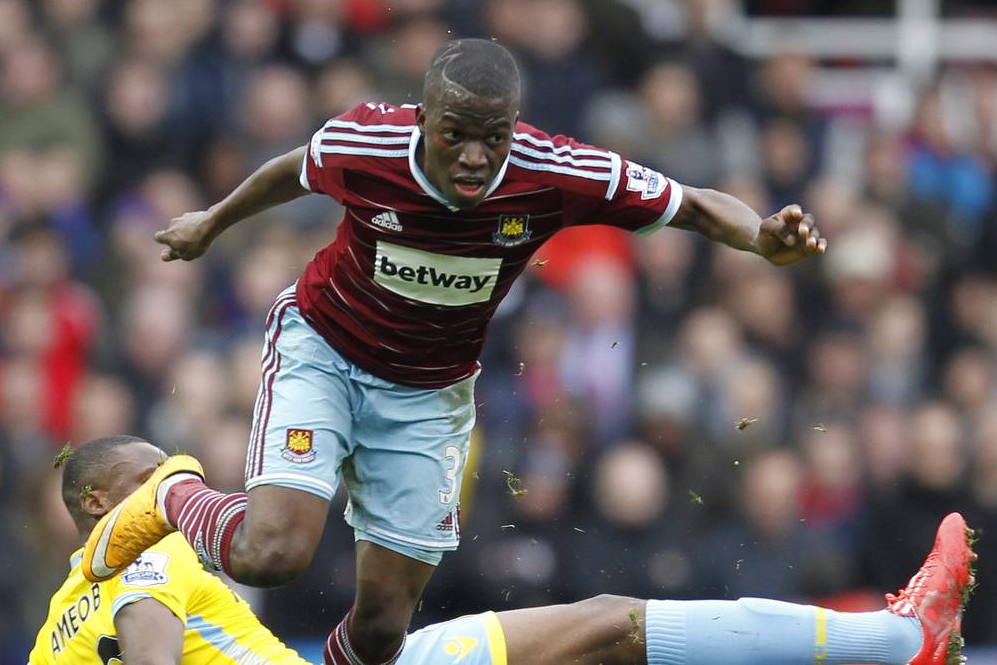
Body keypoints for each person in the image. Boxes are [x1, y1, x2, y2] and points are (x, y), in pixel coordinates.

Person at [81, 39, 830, 665]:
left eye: (494, 137)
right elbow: (293, 169)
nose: (476, 157)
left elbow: (693, 202)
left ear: (515, 127)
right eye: (456, 134)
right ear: (423, 116)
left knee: (380, 632)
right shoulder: (364, 142)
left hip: (427, 397)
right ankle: (169, 492)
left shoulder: (557, 171)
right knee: (269, 553)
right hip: (325, 350)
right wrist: (212, 222)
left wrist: (761, 235)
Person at [43, 436, 976, 665]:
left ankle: (896, 643)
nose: (173, 476)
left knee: (601, 629)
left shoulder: (51, 631)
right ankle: (898, 643)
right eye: (151, 467)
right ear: (99, 500)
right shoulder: (142, 553)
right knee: (606, 627)